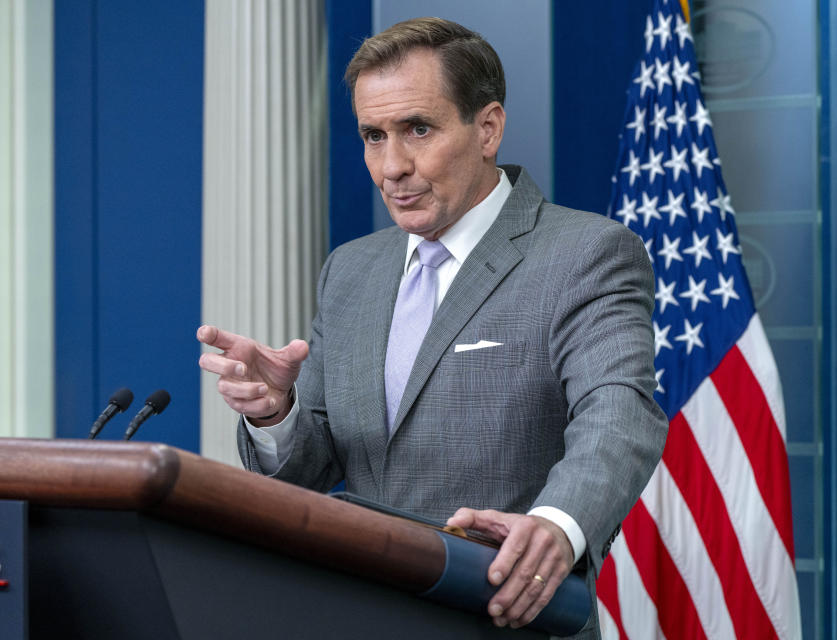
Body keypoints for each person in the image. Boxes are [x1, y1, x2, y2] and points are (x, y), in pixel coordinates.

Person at [198, 17, 667, 638]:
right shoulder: (351, 269)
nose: (392, 166)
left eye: (418, 129)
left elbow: (618, 413)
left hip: (504, 614)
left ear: (488, 128)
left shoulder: (587, 253)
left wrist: (556, 525)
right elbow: (309, 475)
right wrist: (275, 413)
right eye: (373, 135)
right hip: (355, 617)